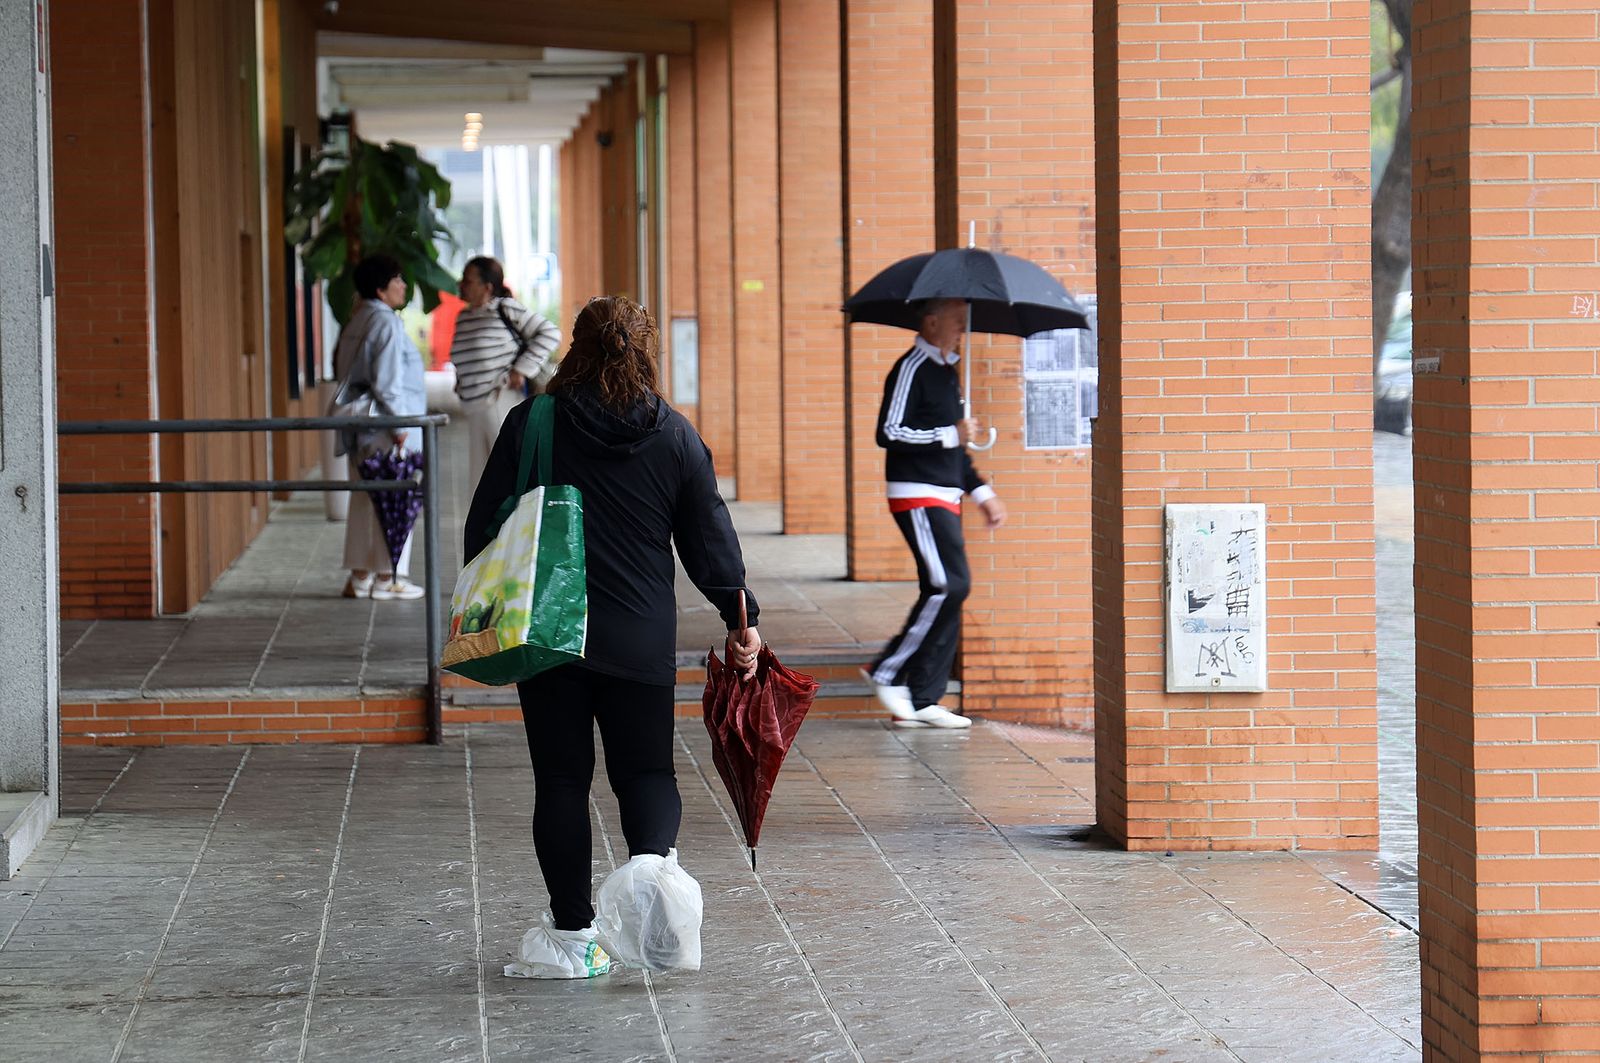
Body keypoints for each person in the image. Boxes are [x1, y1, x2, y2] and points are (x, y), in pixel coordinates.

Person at [463, 295, 762, 978]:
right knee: (649, 772)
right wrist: (741, 618)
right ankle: (651, 871)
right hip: (641, 636)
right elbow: (710, 544)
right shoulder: (674, 435)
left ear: (574, 346)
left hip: (551, 635)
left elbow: (484, 529)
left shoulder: (532, 423)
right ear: (644, 347)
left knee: (562, 780)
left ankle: (574, 937)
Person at [861, 298, 1007, 728]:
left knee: (951, 589)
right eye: (958, 322)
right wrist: (949, 432)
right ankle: (887, 670)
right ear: (931, 322)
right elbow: (888, 431)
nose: (963, 330)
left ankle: (924, 698)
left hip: (946, 493)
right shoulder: (911, 367)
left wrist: (983, 494)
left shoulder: (948, 372)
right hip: (916, 492)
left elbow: (956, 450)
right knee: (949, 585)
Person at [331, 254, 427, 601]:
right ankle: (389, 576)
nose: (403, 285)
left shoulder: (355, 321)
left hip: (361, 427)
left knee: (364, 501)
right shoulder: (385, 322)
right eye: (397, 279)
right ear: (380, 288)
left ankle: (359, 577)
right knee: (395, 497)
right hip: (387, 426)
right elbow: (388, 383)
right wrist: (401, 425)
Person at [451, 256, 560, 482]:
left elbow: (550, 333)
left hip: (500, 400)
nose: (462, 285)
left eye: (468, 281)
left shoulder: (505, 309)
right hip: (473, 407)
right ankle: (487, 519)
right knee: (480, 479)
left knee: (506, 475)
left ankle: (515, 518)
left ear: (487, 287)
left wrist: (521, 370)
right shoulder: (464, 318)